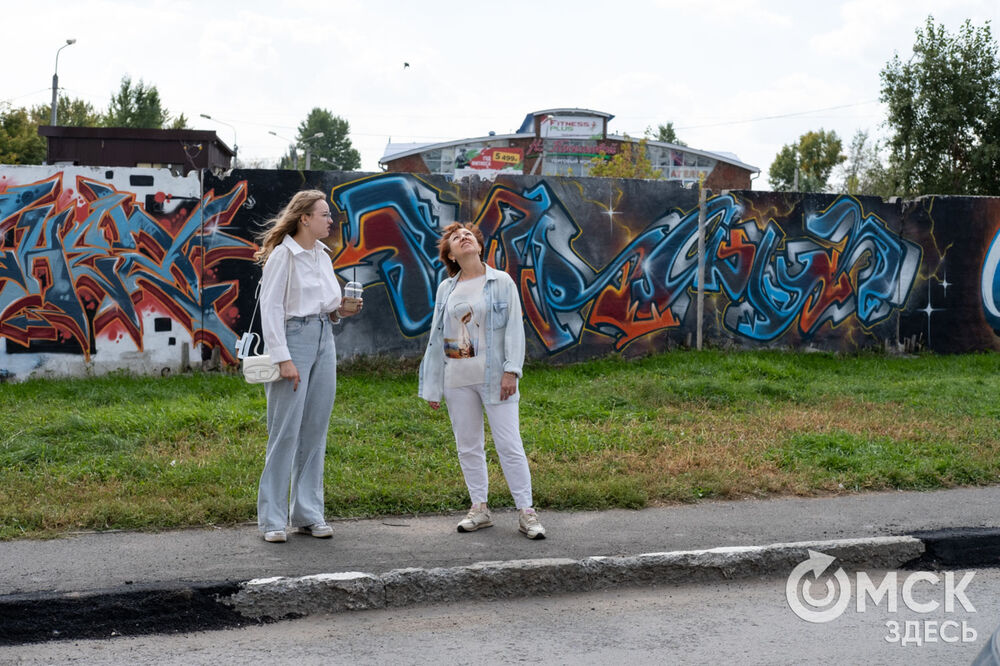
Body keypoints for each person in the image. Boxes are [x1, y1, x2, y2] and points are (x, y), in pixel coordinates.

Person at [418, 222, 546, 539]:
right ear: (449, 253)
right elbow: (440, 338)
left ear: (478, 244)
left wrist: (511, 370)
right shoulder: (446, 288)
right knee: (468, 445)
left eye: (468, 235)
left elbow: (515, 330)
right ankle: (480, 507)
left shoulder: (501, 282)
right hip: (457, 377)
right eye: (455, 237)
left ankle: (526, 512)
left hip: (495, 377)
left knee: (509, 444)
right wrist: (435, 383)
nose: (463, 238)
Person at [253, 189, 362, 543]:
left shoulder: (322, 256)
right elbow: (270, 309)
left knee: (315, 429)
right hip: (293, 339)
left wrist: (340, 309)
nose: (330, 220)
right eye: (324, 214)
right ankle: (271, 520)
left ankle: (307, 513)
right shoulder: (283, 256)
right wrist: (283, 357)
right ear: (304, 218)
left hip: (323, 337)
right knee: (284, 431)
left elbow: (326, 305)